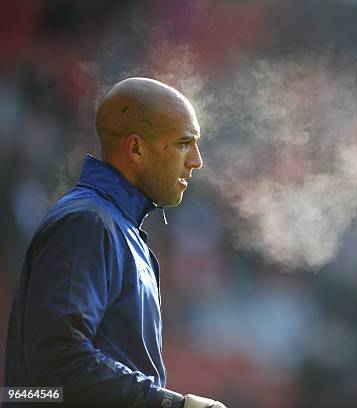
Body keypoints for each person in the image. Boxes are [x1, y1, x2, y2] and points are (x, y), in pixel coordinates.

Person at [3, 78, 227, 408]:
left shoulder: (116, 227)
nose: (196, 160)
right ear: (136, 148)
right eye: (183, 143)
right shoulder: (87, 224)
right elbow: (57, 365)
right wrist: (170, 405)